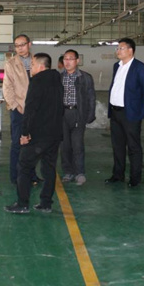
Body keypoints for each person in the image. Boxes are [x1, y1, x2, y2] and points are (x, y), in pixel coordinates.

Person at [5, 53, 64, 214]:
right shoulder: (57, 80)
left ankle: (22, 204)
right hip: (54, 134)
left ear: (40, 66)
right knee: (49, 169)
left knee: (24, 166)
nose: (30, 67)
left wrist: (24, 134)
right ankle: (46, 203)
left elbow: (30, 110)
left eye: (32, 64)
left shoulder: (37, 81)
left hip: (38, 135)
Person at [106, 37, 144, 187]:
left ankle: (135, 178)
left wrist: (134, 106)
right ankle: (117, 175)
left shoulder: (141, 68)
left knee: (133, 147)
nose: (118, 51)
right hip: (115, 112)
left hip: (130, 113)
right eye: (117, 48)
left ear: (130, 50)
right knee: (117, 146)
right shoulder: (116, 66)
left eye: (121, 48)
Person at [2, 34, 38, 185]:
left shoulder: (37, 61)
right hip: (18, 110)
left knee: (33, 144)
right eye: (17, 46)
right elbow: (7, 88)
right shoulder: (11, 64)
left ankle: (32, 175)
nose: (20, 48)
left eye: (22, 44)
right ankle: (16, 176)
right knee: (18, 143)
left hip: (35, 110)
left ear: (29, 44)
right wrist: (16, 106)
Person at [60, 49, 97, 186]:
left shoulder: (85, 77)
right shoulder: (59, 77)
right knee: (65, 146)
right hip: (62, 114)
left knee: (77, 145)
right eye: (65, 58)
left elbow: (91, 97)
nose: (67, 62)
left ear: (77, 61)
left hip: (78, 114)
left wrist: (90, 115)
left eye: (70, 59)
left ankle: (80, 173)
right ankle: (68, 172)